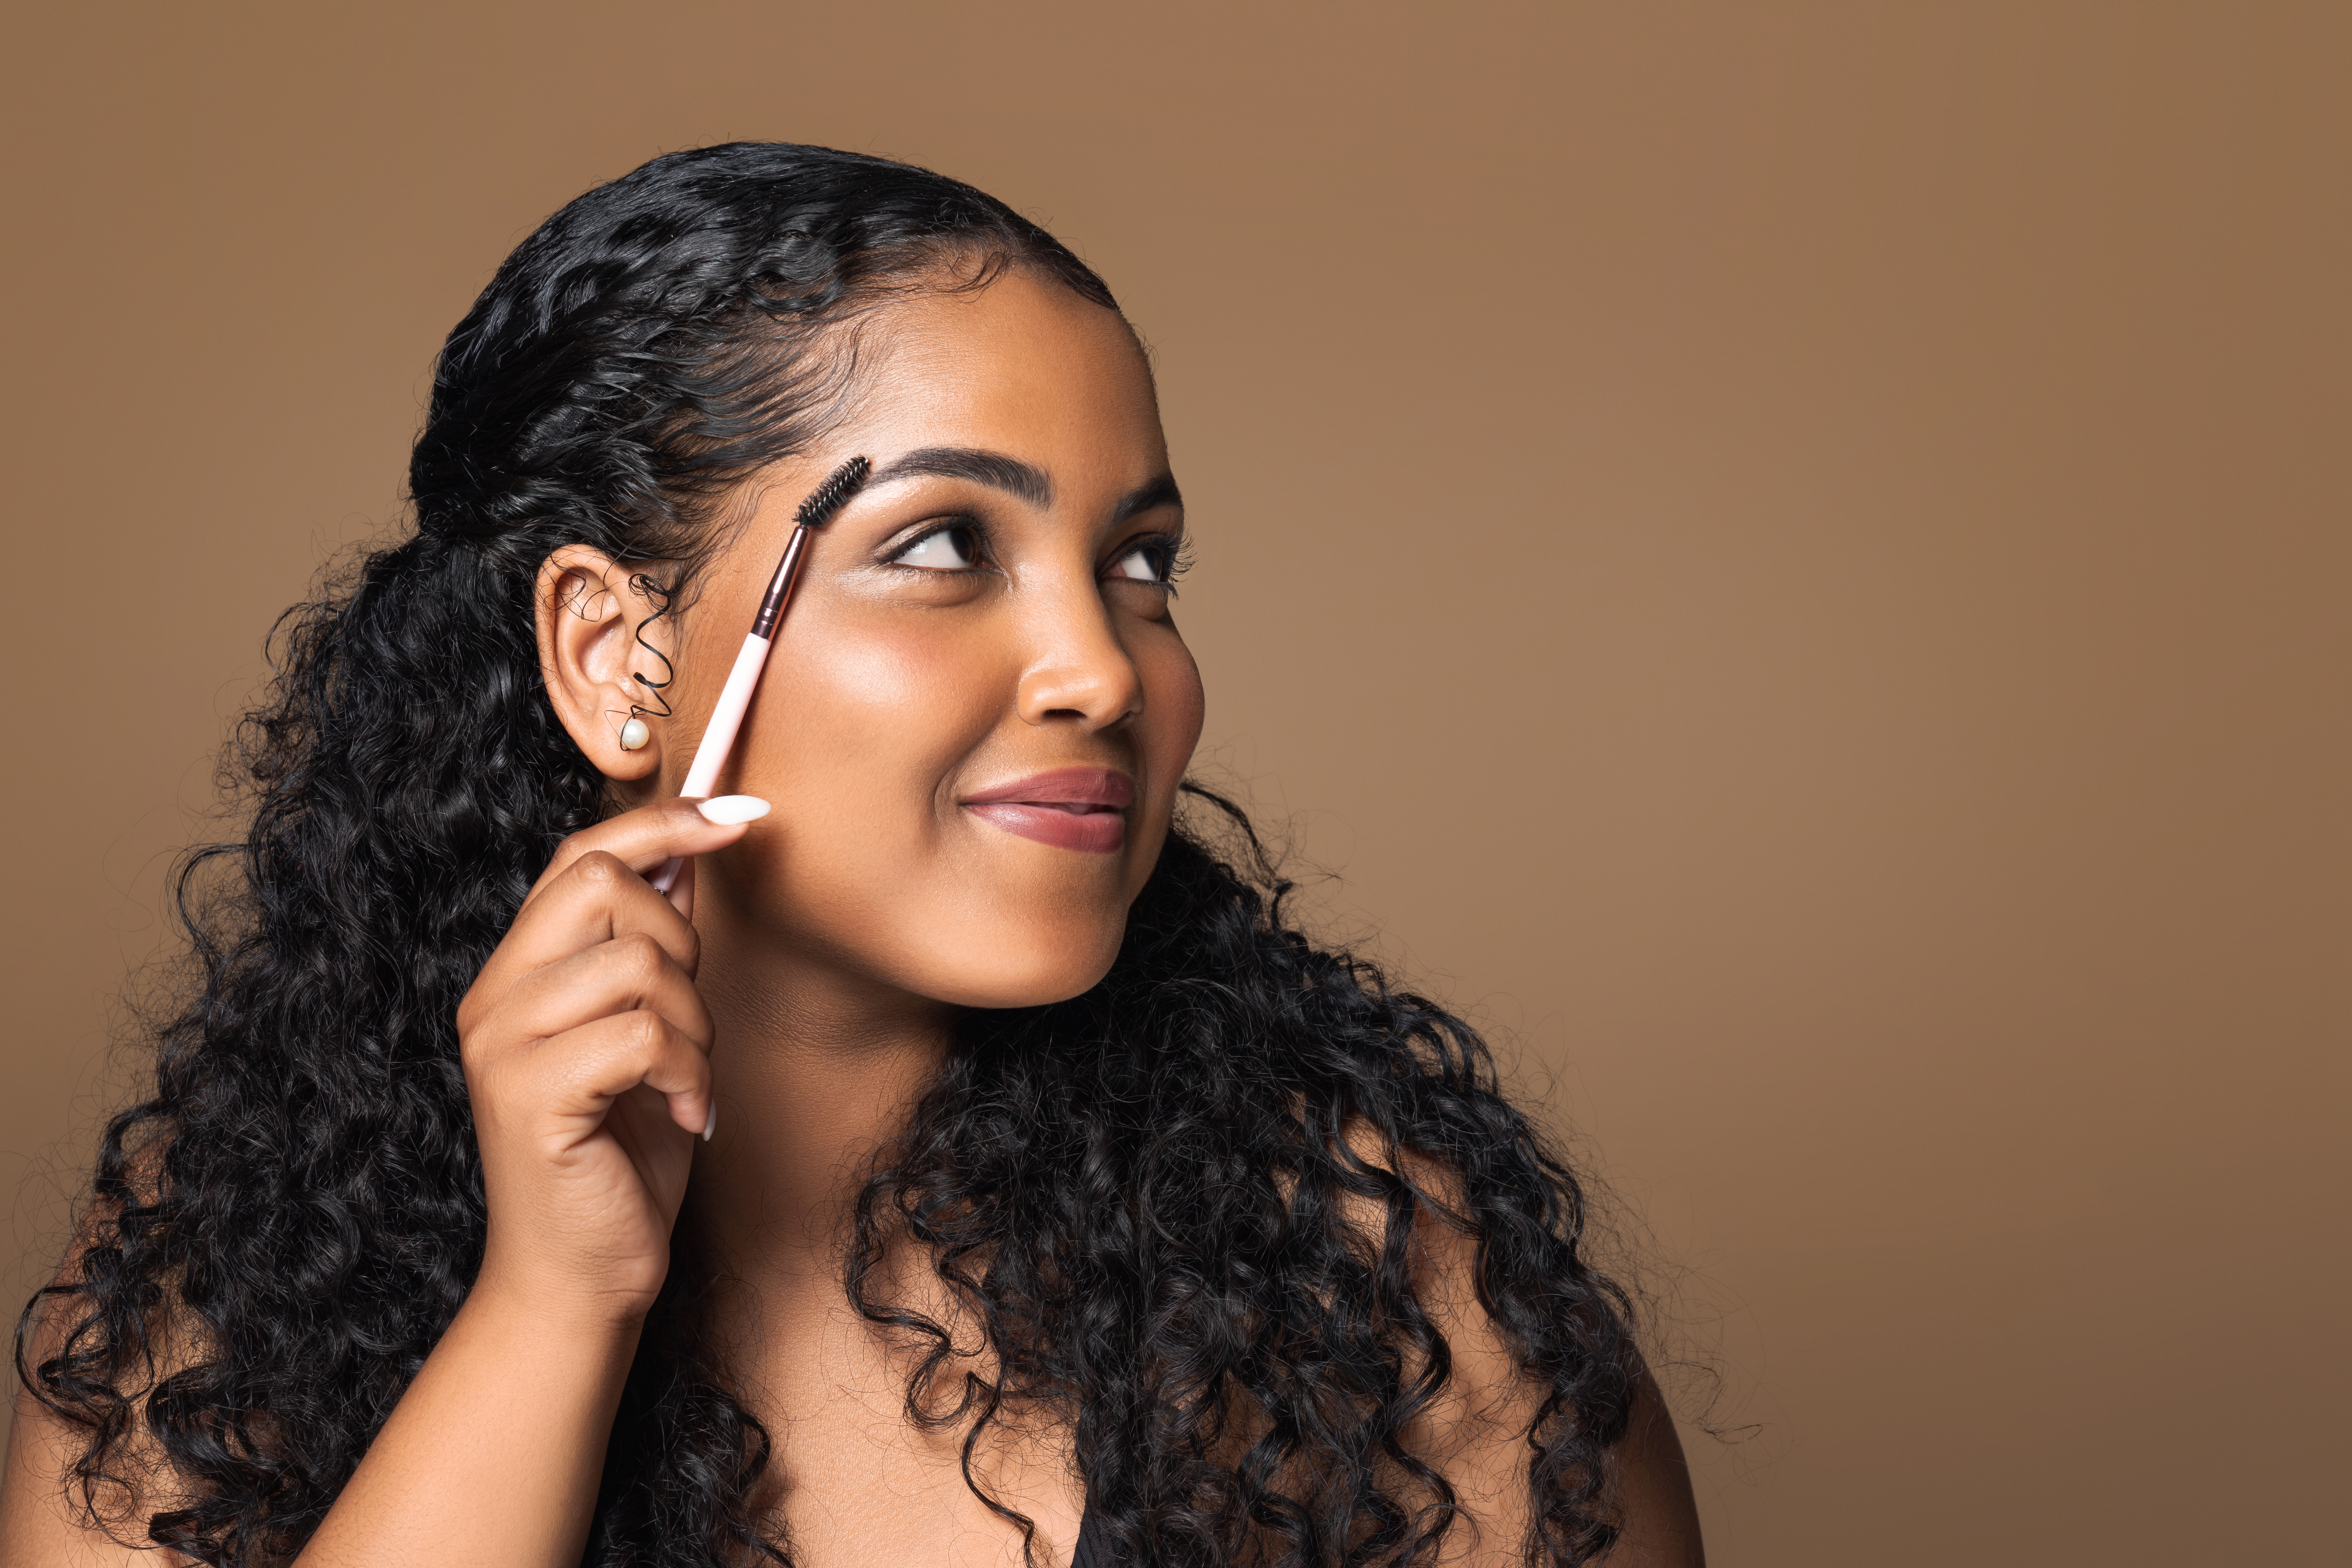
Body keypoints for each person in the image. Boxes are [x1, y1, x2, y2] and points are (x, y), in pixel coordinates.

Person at [0, 143, 1703, 1568]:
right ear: (617, 656)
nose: (1108, 671)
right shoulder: (220, 1274)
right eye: (947, 542)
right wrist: (550, 1307)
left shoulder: (1385, 1299)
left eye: (1142, 563)